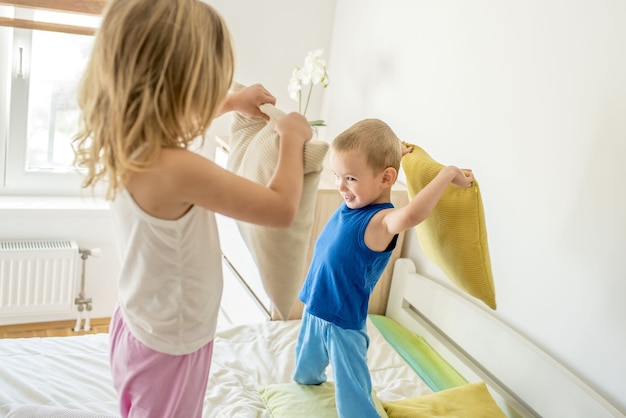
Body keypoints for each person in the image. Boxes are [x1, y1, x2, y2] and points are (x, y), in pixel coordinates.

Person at [72, 0, 312, 417]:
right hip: (173, 341)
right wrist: (293, 139)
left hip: (138, 322)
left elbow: (172, 118)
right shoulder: (178, 169)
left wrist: (233, 101)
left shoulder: (126, 138)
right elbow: (281, 208)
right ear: (180, 89)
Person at [292, 118, 473, 417]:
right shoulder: (355, 201)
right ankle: (303, 397)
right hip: (314, 307)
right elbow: (373, 165)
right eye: (338, 175)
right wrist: (395, 152)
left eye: (350, 178)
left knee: (353, 395)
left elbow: (413, 214)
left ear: (386, 179)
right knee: (305, 373)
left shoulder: (381, 222)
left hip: (343, 323)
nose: (340, 186)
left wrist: (447, 174)